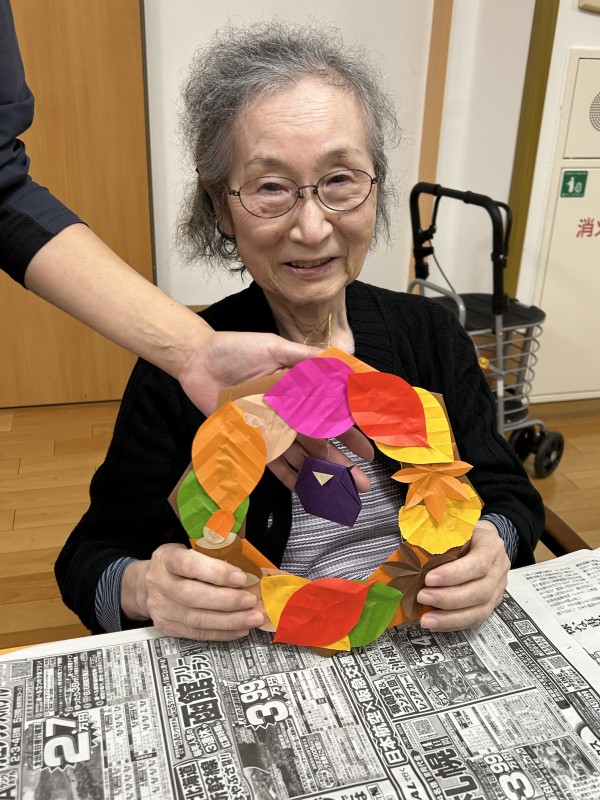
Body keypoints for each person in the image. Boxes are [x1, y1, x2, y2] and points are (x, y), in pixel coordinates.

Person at [55, 20, 545, 642]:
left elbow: (507, 493)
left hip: (423, 636)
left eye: (340, 180)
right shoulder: (181, 365)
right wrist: (145, 587)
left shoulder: (430, 334)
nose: (312, 229)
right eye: (271, 188)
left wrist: (493, 545)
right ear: (220, 208)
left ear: (376, 187)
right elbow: (91, 558)